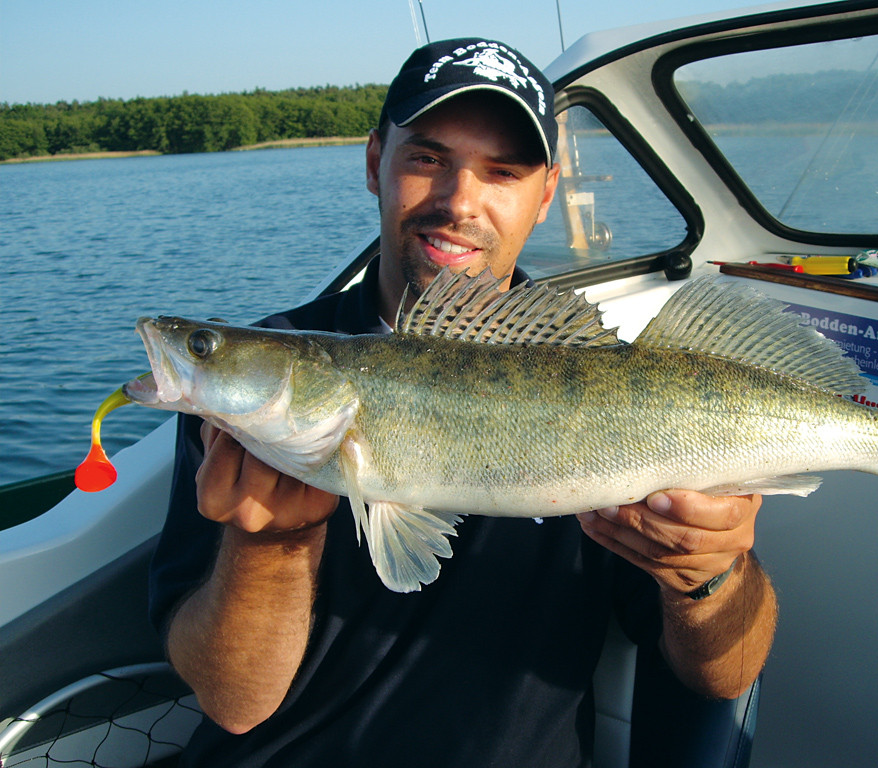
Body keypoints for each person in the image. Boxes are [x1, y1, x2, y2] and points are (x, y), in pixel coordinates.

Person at [149, 38, 777, 767]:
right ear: (373, 161)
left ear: (545, 197)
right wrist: (266, 548)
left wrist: (711, 571)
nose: (458, 202)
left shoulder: (610, 378)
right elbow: (233, 703)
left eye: (502, 172)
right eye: (426, 158)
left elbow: (726, 675)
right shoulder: (252, 387)